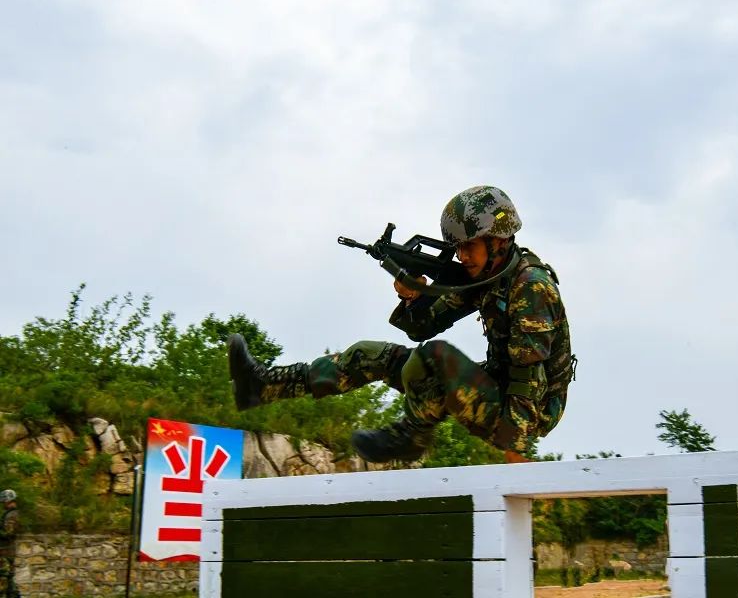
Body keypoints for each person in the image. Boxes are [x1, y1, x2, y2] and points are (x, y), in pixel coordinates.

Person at [229, 186, 574, 463]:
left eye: (469, 246)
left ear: (498, 239)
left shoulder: (530, 286)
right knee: (371, 355)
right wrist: (413, 295)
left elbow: (530, 376)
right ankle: (261, 385)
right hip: (498, 389)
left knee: (435, 357)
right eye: (457, 248)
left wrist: (516, 448)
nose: (462, 256)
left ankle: (413, 437)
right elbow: (421, 327)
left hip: (526, 412)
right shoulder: (486, 276)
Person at [0, 489, 20, 598]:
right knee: (9, 580)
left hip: (6, 552)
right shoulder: (10, 514)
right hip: (6, 551)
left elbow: (8, 533)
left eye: (3, 502)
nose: (3, 504)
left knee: (4, 579)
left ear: (8, 500)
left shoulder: (12, 515)